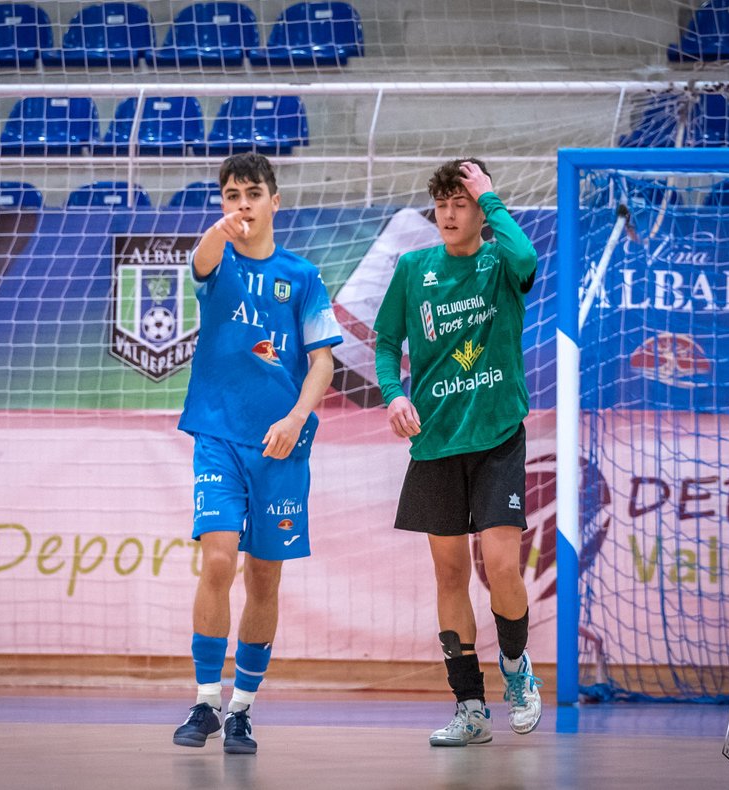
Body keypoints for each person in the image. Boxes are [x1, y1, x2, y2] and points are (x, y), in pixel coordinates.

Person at [173, 153, 342, 754]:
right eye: (230, 195)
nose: (241, 203)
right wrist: (221, 230)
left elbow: (322, 359)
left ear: (276, 200)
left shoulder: (302, 277)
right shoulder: (216, 260)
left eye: (251, 194)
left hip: (281, 445)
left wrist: (297, 419)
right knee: (218, 560)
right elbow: (198, 261)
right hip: (218, 434)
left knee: (263, 579)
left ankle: (242, 709)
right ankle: (204, 702)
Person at [373, 159, 542, 746]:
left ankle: (518, 671)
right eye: (442, 203)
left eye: (460, 202)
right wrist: (394, 395)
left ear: (479, 208)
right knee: (448, 576)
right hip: (435, 444)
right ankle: (469, 707)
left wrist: (492, 198)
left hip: (496, 439)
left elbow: (528, 260)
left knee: (500, 568)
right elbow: (386, 341)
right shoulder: (413, 267)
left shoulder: (500, 263)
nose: (448, 213)